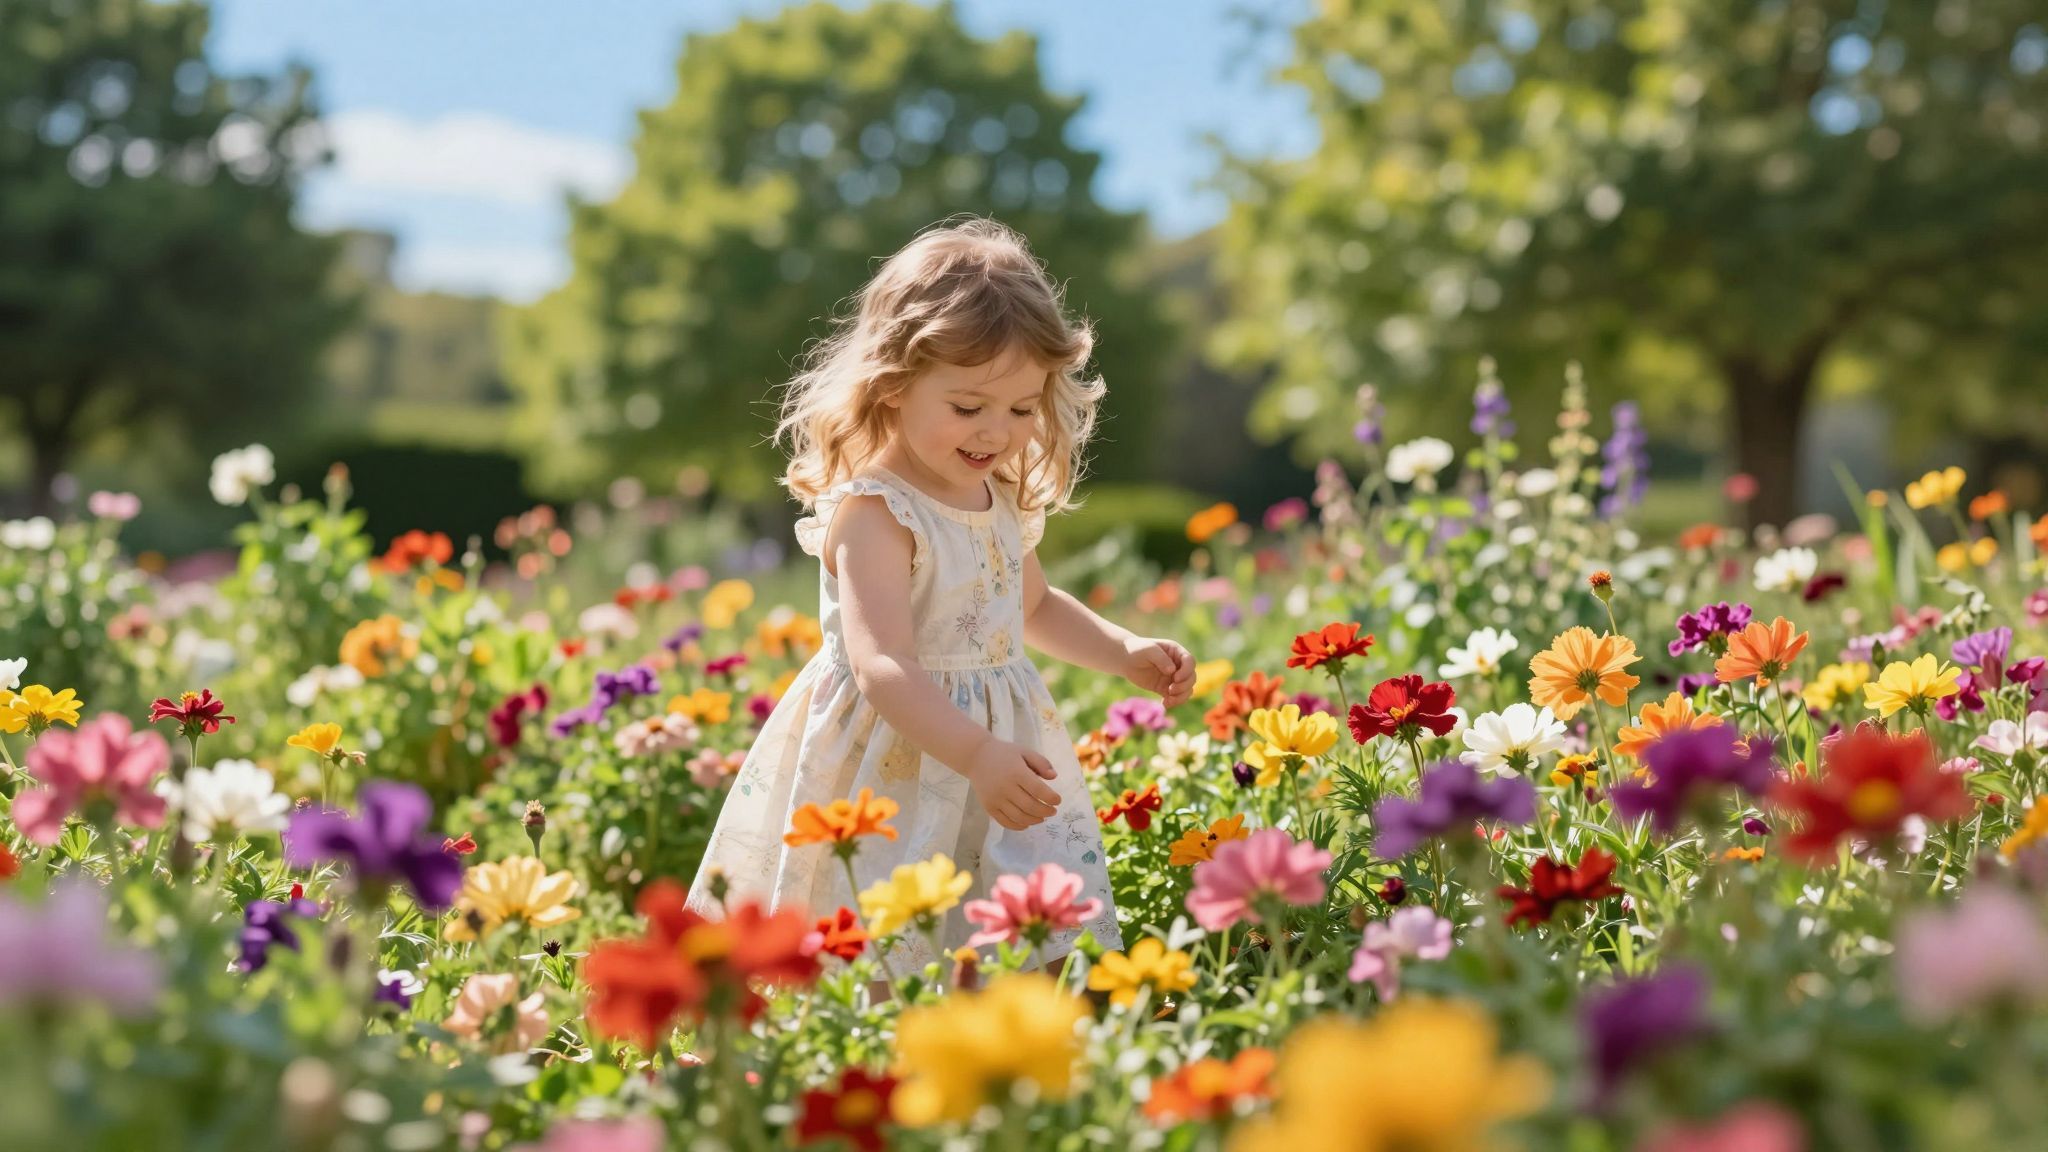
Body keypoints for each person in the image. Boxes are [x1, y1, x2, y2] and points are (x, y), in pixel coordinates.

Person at [684, 217, 1194, 974]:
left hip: (997, 751)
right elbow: (881, 662)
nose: (999, 431)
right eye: (969, 407)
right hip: (895, 760)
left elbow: (1034, 608)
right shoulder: (877, 512)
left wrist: (1123, 652)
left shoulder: (995, 498)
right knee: (891, 945)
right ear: (893, 383)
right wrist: (975, 752)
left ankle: (1014, 1067)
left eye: (1023, 409)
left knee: (1021, 930)